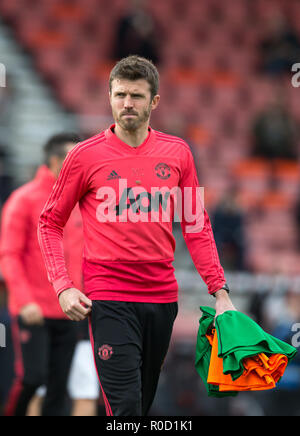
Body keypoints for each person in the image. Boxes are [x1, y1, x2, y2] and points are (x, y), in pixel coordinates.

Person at [38, 55, 236, 417]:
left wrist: (220, 292)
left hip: (162, 298)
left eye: (137, 96)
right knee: (126, 408)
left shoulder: (179, 153)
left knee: (141, 406)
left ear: (154, 101)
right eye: (120, 95)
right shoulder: (83, 156)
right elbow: (49, 222)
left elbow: (196, 223)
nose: (127, 103)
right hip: (108, 296)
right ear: (109, 97)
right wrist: (63, 285)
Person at [0, 133, 83, 416]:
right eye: (75, 159)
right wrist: (24, 301)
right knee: (32, 379)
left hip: (71, 310)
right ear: (56, 161)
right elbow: (8, 255)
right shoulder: (23, 200)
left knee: (60, 387)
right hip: (33, 309)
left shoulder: (81, 202)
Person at [113, 0, 160, 64]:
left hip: (146, 59)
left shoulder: (150, 21)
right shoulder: (124, 22)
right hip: (125, 59)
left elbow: (154, 46)